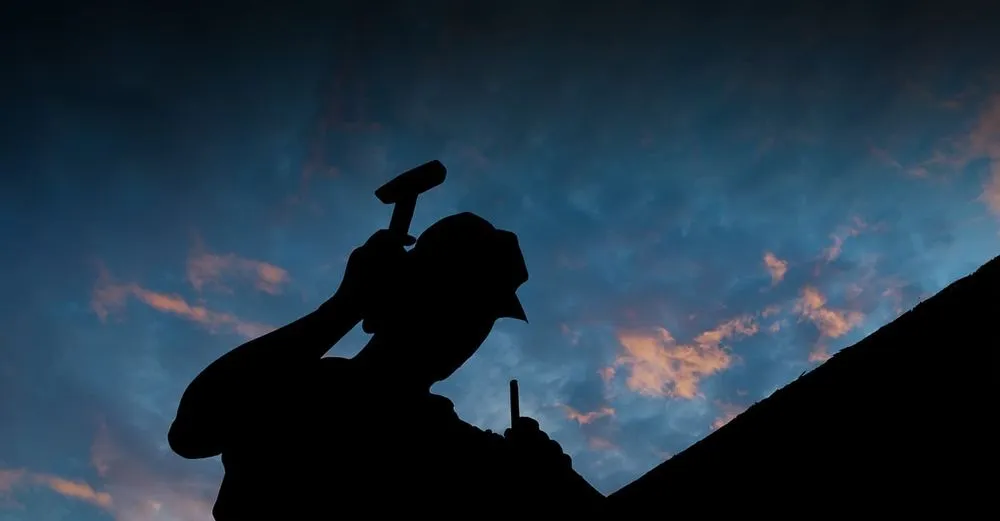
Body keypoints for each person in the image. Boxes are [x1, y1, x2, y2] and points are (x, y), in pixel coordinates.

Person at [167, 212, 606, 520]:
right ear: (401, 297)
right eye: (459, 302)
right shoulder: (299, 391)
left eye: (482, 316)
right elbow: (194, 430)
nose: (470, 331)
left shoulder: (462, 450)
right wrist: (344, 306)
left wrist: (552, 479)